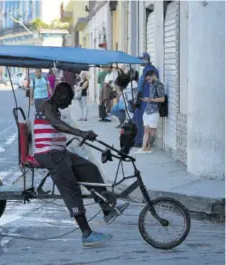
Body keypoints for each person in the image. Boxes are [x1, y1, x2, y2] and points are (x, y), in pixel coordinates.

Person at [34, 82, 129, 247]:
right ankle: (86, 234)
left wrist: (84, 135)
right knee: (71, 187)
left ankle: (107, 208)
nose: (69, 104)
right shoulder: (46, 105)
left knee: (90, 169)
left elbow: (58, 124)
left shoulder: (55, 108)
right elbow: (56, 124)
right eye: (69, 100)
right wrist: (81, 133)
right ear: (60, 96)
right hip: (47, 154)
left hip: (60, 152)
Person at [134, 70, 165, 154]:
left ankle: (148, 147)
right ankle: (144, 148)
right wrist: (148, 99)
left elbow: (162, 99)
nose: (148, 81)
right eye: (147, 80)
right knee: (146, 130)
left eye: (149, 79)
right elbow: (153, 97)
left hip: (154, 111)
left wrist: (150, 99)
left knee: (152, 131)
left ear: (153, 75)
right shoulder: (151, 84)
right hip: (148, 110)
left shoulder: (159, 85)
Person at [133, 52, 159, 147]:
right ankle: (139, 140)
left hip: (147, 99)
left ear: (145, 59)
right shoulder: (145, 70)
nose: (139, 61)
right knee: (137, 119)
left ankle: (143, 142)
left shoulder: (151, 70)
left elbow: (153, 85)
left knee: (143, 121)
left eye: (140, 59)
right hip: (142, 99)